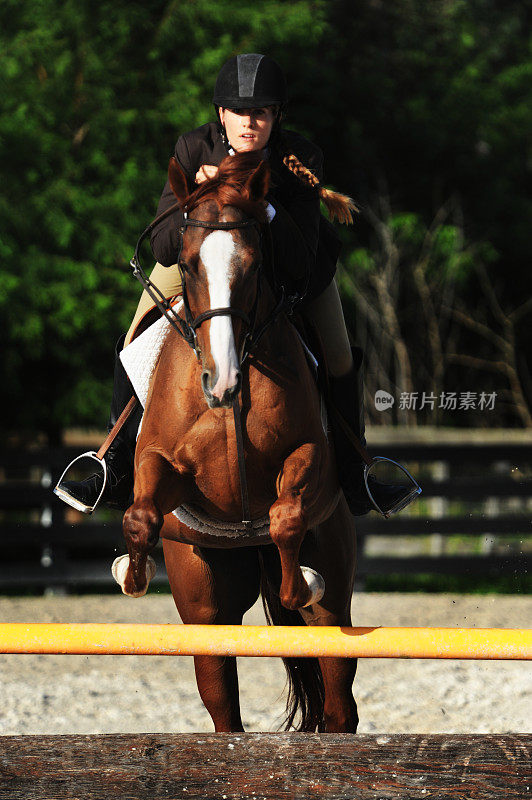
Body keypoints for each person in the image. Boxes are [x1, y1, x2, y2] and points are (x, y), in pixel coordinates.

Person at [55, 53, 415, 517]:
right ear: (221, 115)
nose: (250, 122)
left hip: (293, 272)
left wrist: (261, 205)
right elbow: (164, 247)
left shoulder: (300, 157)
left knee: (340, 354)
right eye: (240, 112)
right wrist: (195, 202)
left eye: (261, 113)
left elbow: (301, 258)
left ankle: (355, 471)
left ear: (276, 117)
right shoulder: (192, 149)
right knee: (134, 339)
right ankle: (115, 464)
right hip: (203, 263)